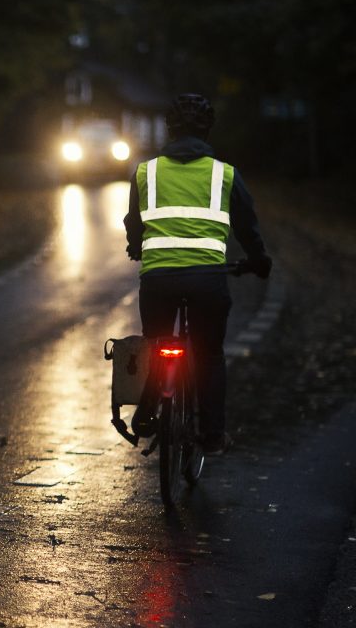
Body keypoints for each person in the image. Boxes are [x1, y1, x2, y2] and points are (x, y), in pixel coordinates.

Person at [123, 93, 271, 455]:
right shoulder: (225, 174)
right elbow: (247, 228)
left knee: (155, 343)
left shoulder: (146, 171)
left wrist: (137, 246)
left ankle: (146, 405)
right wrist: (258, 260)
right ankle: (212, 434)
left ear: (169, 130)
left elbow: (133, 222)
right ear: (207, 129)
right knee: (208, 355)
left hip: (158, 281)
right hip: (208, 280)